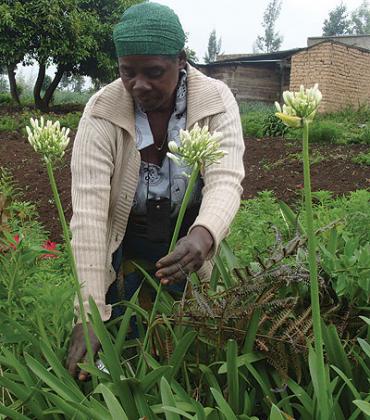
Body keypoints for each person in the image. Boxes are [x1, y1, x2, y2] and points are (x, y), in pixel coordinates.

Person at [66, 2, 245, 381]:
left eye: (154, 72)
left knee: (192, 352)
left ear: (181, 60)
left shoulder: (215, 101)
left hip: (190, 248)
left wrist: (204, 235)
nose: (139, 85)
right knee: (126, 347)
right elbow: (90, 216)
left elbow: (226, 178)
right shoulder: (101, 112)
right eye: (127, 72)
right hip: (126, 245)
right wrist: (88, 313)